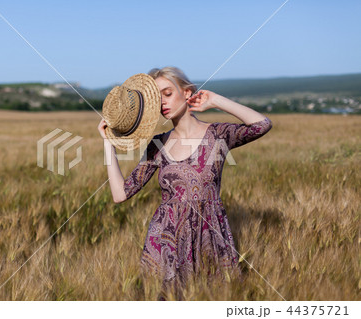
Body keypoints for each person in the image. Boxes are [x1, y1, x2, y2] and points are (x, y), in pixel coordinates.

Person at [97, 66, 273, 300]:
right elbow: (120, 193)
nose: (162, 103)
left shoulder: (217, 135)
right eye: (157, 100)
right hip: (165, 243)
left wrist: (216, 100)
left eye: (168, 93)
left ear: (187, 93)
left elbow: (261, 125)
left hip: (209, 237)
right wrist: (108, 143)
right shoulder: (157, 145)